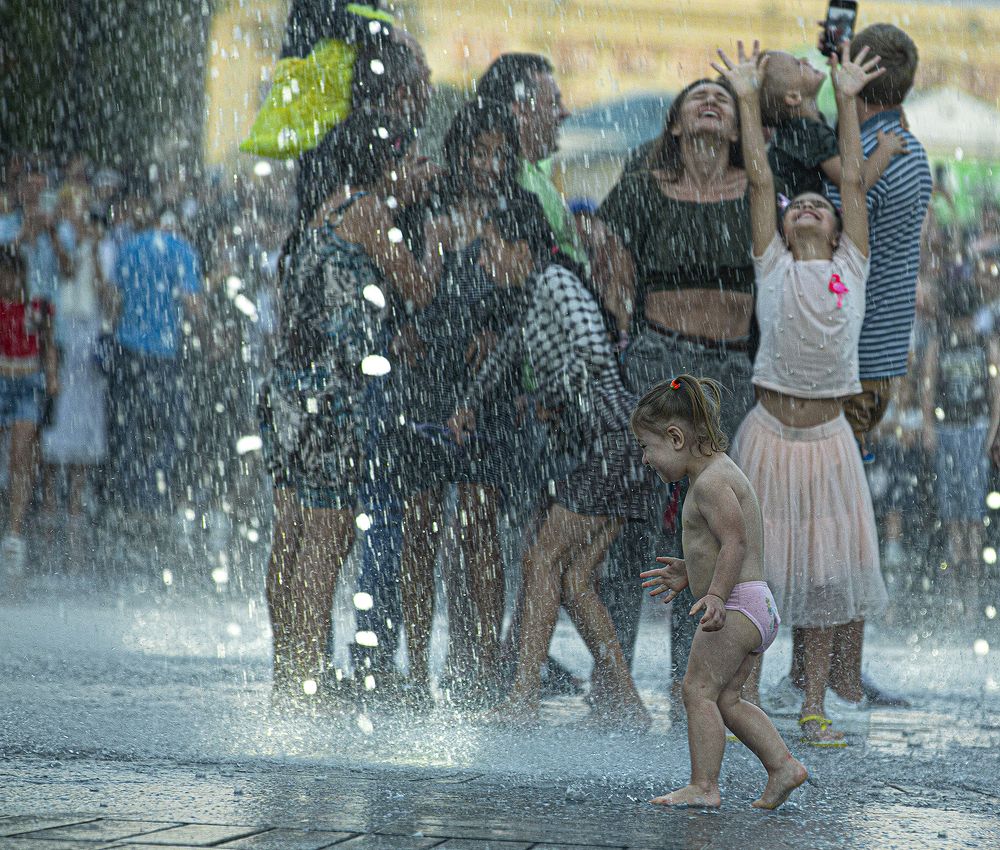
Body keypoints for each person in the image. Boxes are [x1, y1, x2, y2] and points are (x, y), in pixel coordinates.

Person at [259, 24, 436, 706]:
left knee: (291, 533)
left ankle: (285, 672)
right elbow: (419, 287)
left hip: (287, 392)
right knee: (326, 544)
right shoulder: (369, 215)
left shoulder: (318, 218)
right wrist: (429, 234)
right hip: (334, 397)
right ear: (381, 169)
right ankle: (305, 683)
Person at [719, 39, 888, 744]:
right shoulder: (774, 268)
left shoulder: (852, 265)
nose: (810, 207)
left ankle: (813, 702)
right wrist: (747, 97)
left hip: (827, 443)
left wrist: (847, 100)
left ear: (839, 226)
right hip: (766, 435)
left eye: (822, 205)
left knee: (820, 587)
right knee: (755, 580)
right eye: (800, 208)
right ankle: (749, 697)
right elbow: (760, 178)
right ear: (784, 229)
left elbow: (853, 177)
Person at [450, 201, 652, 730]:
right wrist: (471, 403)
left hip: (609, 441)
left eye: (492, 247)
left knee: (543, 561)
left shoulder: (556, 282)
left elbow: (593, 353)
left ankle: (522, 701)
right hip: (619, 444)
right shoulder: (535, 289)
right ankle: (625, 702)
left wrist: (553, 397)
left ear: (522, 249)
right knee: (577, 577)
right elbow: (510, 352)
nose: (485, 259)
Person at [598, 74, 756, 699]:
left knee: (712, 519)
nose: (711, 103)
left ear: (739, 129)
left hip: (729, 368)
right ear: (674, 125)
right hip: (658, 357)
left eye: (722, 101)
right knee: (638, 513)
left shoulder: (757, 191)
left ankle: (696, 674)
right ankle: (613, 676)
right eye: (697, 98)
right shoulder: (642, 189)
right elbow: (603, 247)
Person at [386, 98, 531, 707]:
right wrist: (400, 324)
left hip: (486, 384)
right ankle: (416, 667)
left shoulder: (519, 210)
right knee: (419, 523)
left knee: (478, 526)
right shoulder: (428, 202)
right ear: (459, 150)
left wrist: (499, 333)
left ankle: (481, 663)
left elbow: (529, 291)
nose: (488, 163)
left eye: (500, 153)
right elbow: (392, 272)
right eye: (478, 150)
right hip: (424, 377)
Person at [635, 375, 806, 809]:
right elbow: (720, 549)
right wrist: (690, 574)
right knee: (727, 698)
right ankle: (782, 766)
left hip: (736, 606)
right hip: (755, 607)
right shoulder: (716, 472)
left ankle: (704, 786)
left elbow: (736, 542)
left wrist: (713, 595)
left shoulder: (710, 482)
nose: (644, 458)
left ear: (675, 438)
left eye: (647, 447)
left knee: (697, 690)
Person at [923, 275, 999, 618]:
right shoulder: (941, 342)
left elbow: (997, 394)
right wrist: (928, 427)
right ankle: (957, 592)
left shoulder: (987, 344)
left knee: (973, 516)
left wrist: (992, 434)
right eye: (959, 319)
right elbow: (927, 387)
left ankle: (972, 592)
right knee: (953, 515)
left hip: (975, 429)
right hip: (949, 430)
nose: (963, 326)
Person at [41, 207, 114, 542]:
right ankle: (52, 501)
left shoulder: (106, 248)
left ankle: (75, 503)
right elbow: (66, 271)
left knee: (85, 424)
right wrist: (63, 240)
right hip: (66, 335)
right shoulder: (67, 243)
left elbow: (105, 292)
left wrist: (96, 251)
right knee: (59, 420)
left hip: (90, 339)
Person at [759, 50, 908, 200]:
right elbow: (856, 184)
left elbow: (840, 143)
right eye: (797, 63)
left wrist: (841, 90)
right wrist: (886, 150)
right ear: (793, 97)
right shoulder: (808, 132)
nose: (804, 59)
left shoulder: (798, 129)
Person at [0, 242, 57, 575]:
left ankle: (15, 531)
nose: (8, 281)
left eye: (11, 274)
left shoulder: (36, 307)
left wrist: (52, 374)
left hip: (27, 382)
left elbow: (48, 342)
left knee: (21, 453)